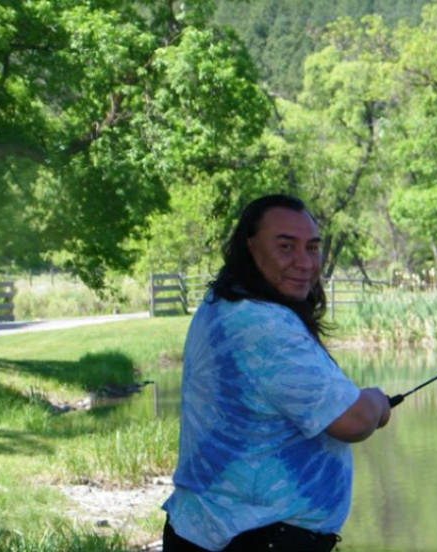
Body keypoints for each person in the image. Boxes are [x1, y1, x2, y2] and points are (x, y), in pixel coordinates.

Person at [162, 194, 391, 552]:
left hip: (212, 530)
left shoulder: (225, 302)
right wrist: (377, 401)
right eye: (286, 246)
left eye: (312, 248)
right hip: (248, 540)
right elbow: (354, 421)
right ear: (249, 247)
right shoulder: (262, 325)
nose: (304, 262)